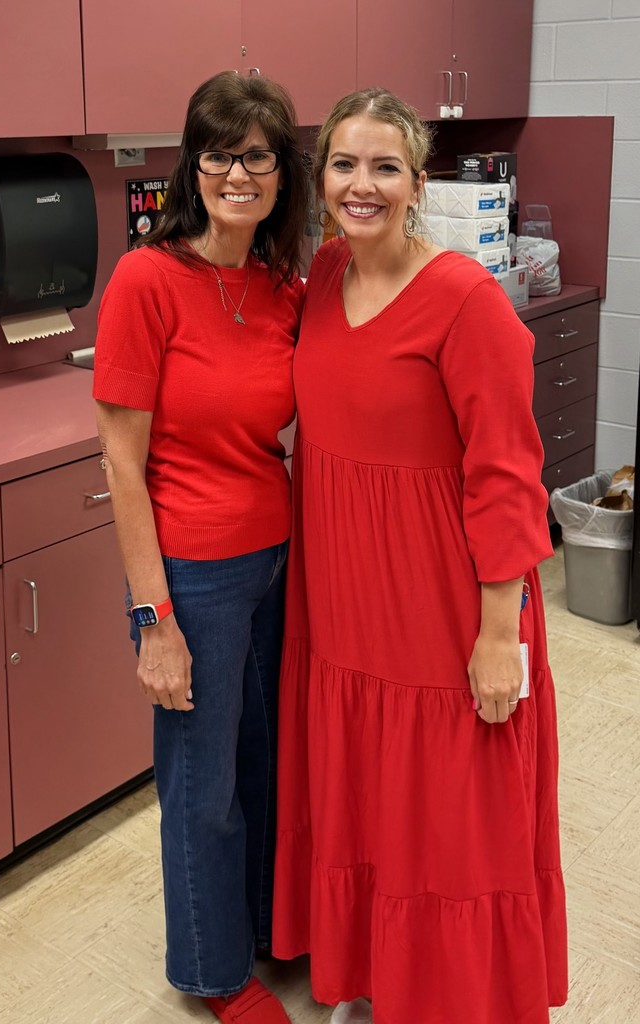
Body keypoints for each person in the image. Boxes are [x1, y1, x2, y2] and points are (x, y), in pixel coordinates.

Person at [272, 88, 567, 1024]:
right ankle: (382, 979)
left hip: (445, 605)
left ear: (417, 183)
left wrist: (495, 637)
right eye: (345, 165)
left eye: (385, 167)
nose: (363, 185)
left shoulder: (465, 302)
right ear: (322, 182)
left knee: (454, 816)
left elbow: (508, 479)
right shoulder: (320, 277)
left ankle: (459, 1000)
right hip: (346, 603)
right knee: (369, 794)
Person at [93, 71, 306, 1024]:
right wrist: (154, 619)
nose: (237, 172)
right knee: (202, 781)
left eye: (256, 154)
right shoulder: (148, 279)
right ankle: (215, 974)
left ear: (279, 171)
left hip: (277, 560)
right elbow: (121, 462)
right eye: (218, 152)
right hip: (197, 575)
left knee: (265, 764)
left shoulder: (278, 281)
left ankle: (262, 927)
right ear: (193, 164)